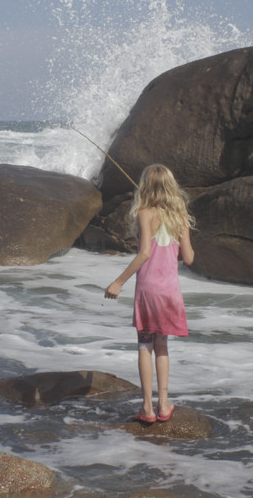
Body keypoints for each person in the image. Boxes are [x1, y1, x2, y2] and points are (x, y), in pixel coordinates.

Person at [104, 164, 195, 424]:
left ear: (145, 187)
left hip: (148, 290)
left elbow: (144, 253)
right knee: (162, 344)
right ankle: (164, 404)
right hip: (169, 291)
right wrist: (183, 232)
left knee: (145, 345)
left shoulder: (145, 213)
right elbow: (188, 258)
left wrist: (119, 282)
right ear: (170, 186)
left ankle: (147, 408)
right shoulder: (181, 216)